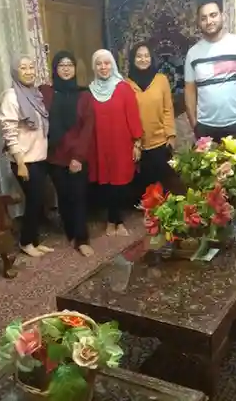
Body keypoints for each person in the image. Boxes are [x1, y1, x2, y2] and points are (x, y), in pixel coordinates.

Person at [184, 0, 236, 152]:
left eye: (213, 15)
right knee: (204, 168)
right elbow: (189, 90)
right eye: (203, 18)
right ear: (199, 22)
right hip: (205, 127)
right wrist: (194, 124)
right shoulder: (193, 53)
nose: (209, 21)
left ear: (223, 16)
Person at [40, 51, 95, 257]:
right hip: (55, 156)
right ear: (55, 69)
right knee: (63, 198)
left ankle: (82, 239)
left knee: (79, 197)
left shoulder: (84, 95)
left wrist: (78, 157)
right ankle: (71, 232)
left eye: (69, 65)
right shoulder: (47, 93)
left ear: (75, 69)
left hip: (77, 156)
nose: (66, 69)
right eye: (61, 65)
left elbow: (88, 128)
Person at [0, 53, 54, 257]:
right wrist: (20, 162)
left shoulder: (35, 94)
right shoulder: (11, 96)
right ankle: (25, 242)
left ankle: (34, 241)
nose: (29, 72)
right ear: (16, 72)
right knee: (33, 200)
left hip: (39, 158)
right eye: (23, 68)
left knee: (38, 201)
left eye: (31, 67)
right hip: (24, 160)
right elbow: (9, 132)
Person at [88, 49, 143, 236]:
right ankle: (112, 221)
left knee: (120, 183)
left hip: (121, 144)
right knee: (105, 183)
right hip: (99, 145)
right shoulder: (90, 91)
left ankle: (117, 221)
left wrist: (137, 143)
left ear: (112, 65)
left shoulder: (123, 88)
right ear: (94, 67)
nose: (103, 67)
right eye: (99, 64)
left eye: (107, 63)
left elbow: (133, 117)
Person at [126, 43, 178, 196]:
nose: (143, 59)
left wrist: (171, 135)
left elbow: (168, 108)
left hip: (161, 142)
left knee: (163, 186)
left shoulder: (161, 80)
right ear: (132, 59)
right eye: (139, 56)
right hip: (138, 145)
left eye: (146, 56)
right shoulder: (126, 84)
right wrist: (134, 143)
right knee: (143, 188)